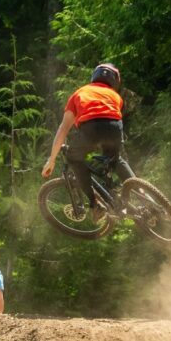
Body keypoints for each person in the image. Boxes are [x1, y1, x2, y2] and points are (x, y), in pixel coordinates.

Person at [41, 63, 133, 222]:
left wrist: (52, 159)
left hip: (91, 128)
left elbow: (63, 129)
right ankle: (140, 189)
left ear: (94, 76)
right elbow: (112, 117)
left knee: (74, 158)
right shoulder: (115, 96)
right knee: (115, 159)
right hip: (115, 127)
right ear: (114, 81)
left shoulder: (79, 93)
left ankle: (95, 205)